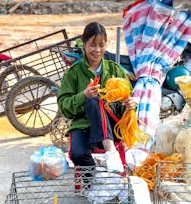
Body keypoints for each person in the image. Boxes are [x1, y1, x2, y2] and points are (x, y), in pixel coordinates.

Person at [57, 22, 135, 173]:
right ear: (84, 43)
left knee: (95, 100)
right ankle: (93, 179)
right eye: (92, 44)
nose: (97, 50)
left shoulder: (115, 69)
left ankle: (110, 151)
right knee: (78, 154)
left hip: (112, 123)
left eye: (101, 45)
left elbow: (129, 96)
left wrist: (131, 103)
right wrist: (83, 95)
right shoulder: (73, 73)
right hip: (83, 123)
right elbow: (64, 107)